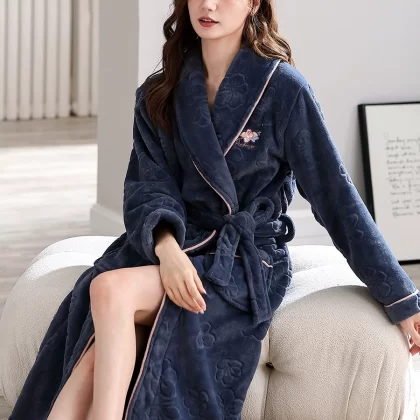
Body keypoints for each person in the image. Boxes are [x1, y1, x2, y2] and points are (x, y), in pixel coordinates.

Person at [9, 1, 420, 419]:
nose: (208, 4)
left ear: (253, 3)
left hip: (241, 261)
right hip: (171, 246)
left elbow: (337, 198)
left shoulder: (284, 90)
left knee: (108, 289)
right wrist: (167, 251)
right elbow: (147, 187)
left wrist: (401, 299)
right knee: (92, 358)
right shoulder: (160, 92)